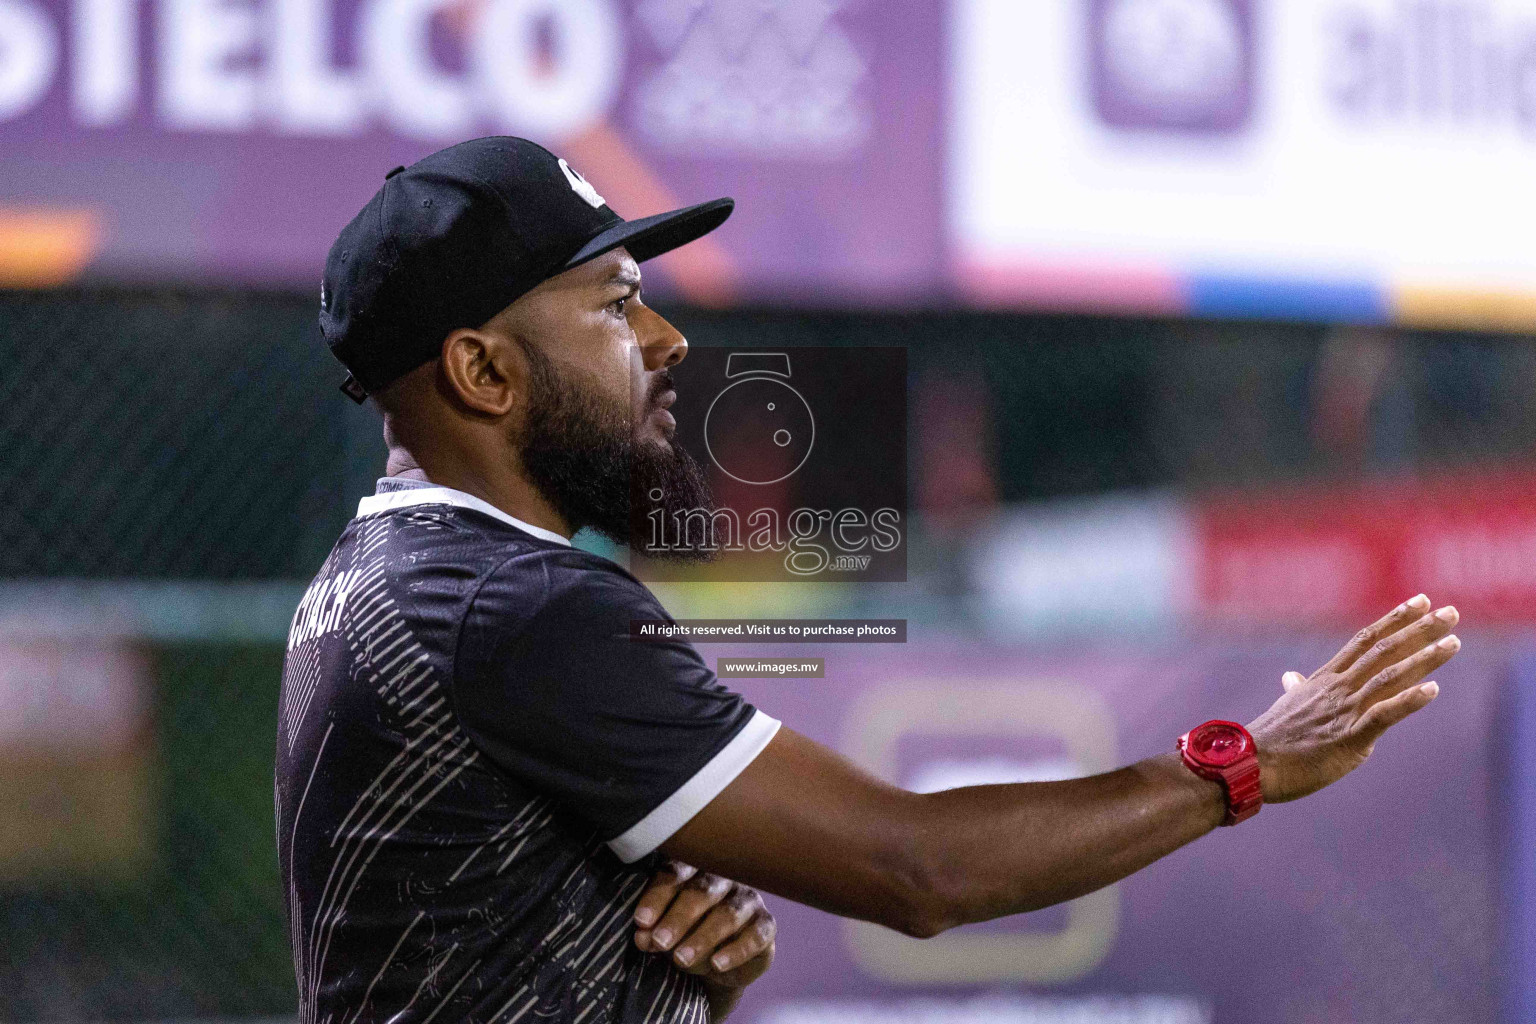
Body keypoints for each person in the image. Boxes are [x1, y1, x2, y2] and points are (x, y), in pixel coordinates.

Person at [275, 137, 1460, 1024]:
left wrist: (678, 987)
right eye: (619, 306)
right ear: (483, 371)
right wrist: (1239, 764)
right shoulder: (516, 605)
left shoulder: (372, 574)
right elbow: (917, 866)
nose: (670, 342)